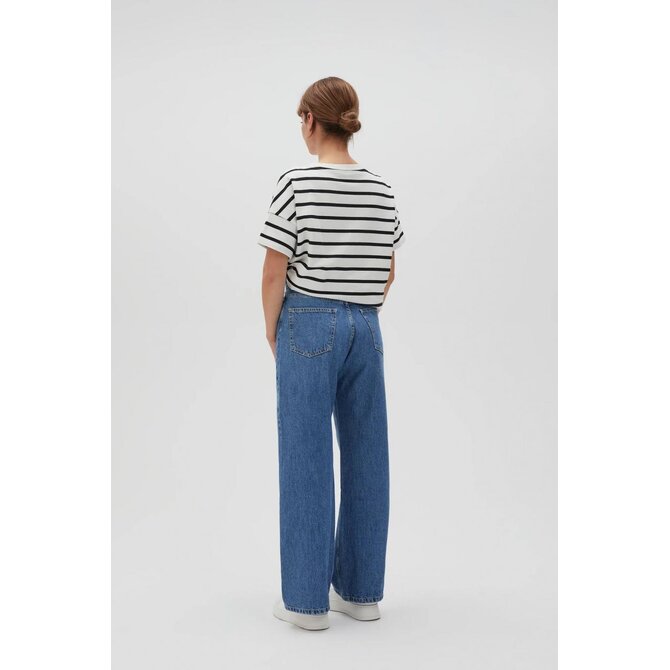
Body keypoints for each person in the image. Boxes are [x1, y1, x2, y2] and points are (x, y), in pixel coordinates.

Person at [257, 76, 406, 631]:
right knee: (368, 455)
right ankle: (361, 595)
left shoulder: (295, 184)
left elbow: (274, 271)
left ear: (310, 121)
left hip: (308, 323)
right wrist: (357, 313)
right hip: (366, 326)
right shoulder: (382, 188)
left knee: (306, 456)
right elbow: (388, 272)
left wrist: (273, 330)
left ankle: (305, 604)